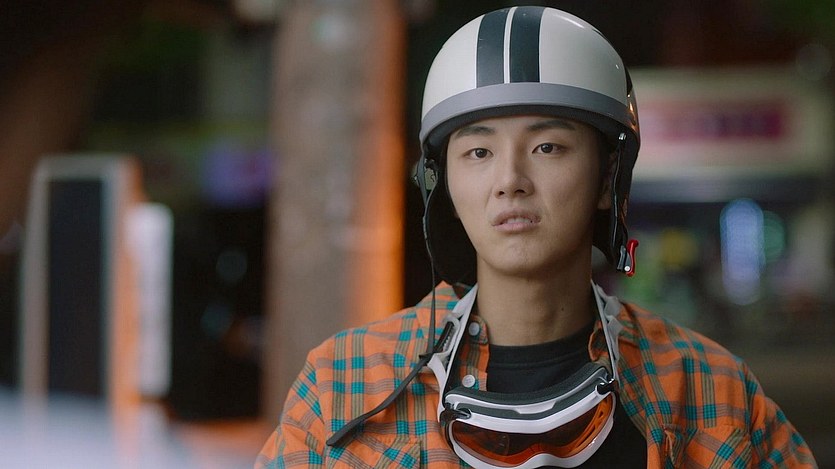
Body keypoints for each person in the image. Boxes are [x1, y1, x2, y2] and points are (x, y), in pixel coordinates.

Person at [257, 6, 817, 468]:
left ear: (607, 178)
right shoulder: (341, 384)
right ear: (443, 185)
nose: (510, 181)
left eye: (548, 147)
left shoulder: (710, 389)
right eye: (479, 152)